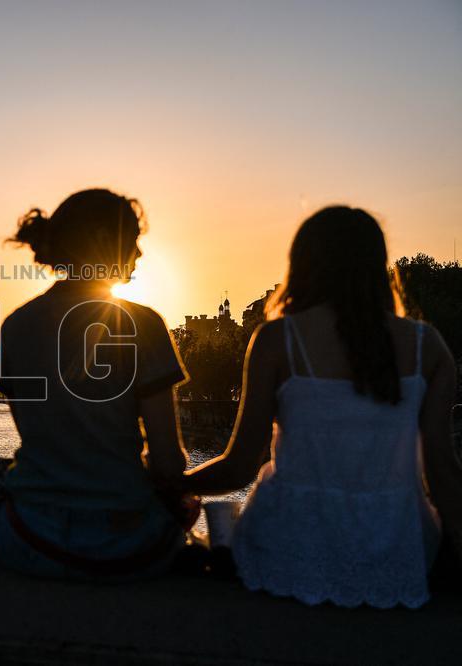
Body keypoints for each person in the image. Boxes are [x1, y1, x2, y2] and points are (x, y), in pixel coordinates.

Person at [182, 206, 461, 608]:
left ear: (303, 264)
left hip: (288, 551)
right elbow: (444, 473)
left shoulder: (277, 340)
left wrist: (173, 482)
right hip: (396, 555)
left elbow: (239, 466)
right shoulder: (426, 346)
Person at [0, 188, 194, 580]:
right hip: (123, 540)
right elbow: (169, 462)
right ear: (105, 240)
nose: (140, 253)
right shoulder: (141, 324)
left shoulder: (17, 325)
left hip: (29, 536)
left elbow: (37, 434)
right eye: (134, 240)